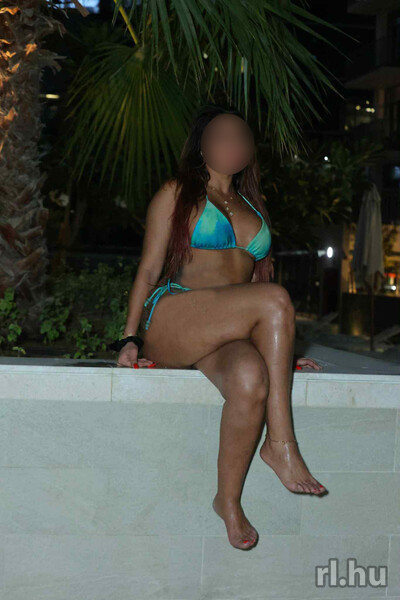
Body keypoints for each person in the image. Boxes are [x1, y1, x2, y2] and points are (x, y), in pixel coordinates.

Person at [114, 104, 326, 551]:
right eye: (221, 135)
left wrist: (279, 352)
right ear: (202, 146)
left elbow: (253, 288)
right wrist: (130, 337)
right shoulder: (177, 193)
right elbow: (148, 269)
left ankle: (227, 502)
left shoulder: (253, 206)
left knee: (250, 379)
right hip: (174, 318)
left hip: (225, 334)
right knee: (276, 297)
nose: (233, 143)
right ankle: (281, 443)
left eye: (241, 136)